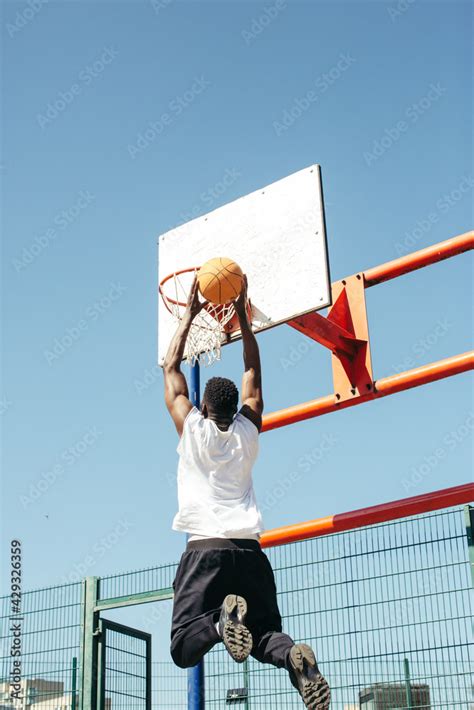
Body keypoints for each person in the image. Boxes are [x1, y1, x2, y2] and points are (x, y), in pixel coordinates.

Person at [163, 274, 330, 709]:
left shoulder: (192, 428)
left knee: (183, 645)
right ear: (237, 408)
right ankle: (295, 658)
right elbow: (253, 370)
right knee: (263, 636)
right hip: (249, 550)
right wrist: (242, 314)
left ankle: (220, 623)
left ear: (203, 407)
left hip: (205, 549)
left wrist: (192, 313)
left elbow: (171, 369)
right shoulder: (248, 430)